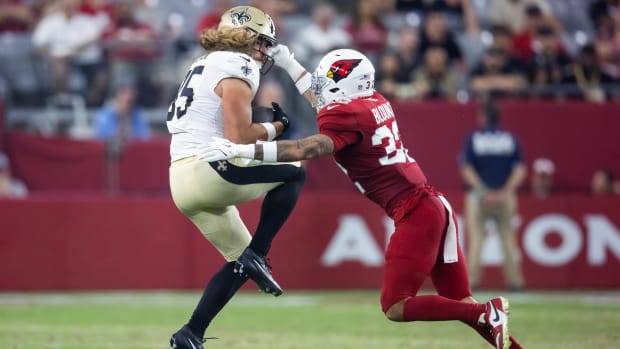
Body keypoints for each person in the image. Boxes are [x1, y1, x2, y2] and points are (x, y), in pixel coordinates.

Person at [199, 47, 524, 349]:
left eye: (327, 82)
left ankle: (489, 309)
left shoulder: (346, 116)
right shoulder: (372, 100)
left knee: (396, 306)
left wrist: (243, 149)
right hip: (435, 205)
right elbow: (324, 102)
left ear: (344, 86)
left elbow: (305, 148)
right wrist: (288, 63)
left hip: (415, 212)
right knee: (464, 305)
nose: (320, 88)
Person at [166, 6, 306, 349]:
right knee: (295, 172)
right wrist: (278, 127)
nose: (265, 52)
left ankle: (191, 334)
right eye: (263, 43)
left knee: (240, 265)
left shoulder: (202, 63)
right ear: (249, 39)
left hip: (179, 180)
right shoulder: (237, 63)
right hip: (207, 168)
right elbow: (239, 136)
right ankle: (258, 252)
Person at [458, 102, 527, 292]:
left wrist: (482, 191)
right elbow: (520, 169)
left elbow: (466, 168)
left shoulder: (474, 138)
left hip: (479, 198)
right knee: (508, 240)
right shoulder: (510, 138)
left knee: (477, 241)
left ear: (483, 117)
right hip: (505, 197)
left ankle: (471, 283)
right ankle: (516, 283)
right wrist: (505, 191)